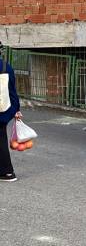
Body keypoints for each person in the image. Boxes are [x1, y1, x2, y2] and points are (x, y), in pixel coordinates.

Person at [1, 43, 22, 182]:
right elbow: (12, 91)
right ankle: (7, 172)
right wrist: (16, 109)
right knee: (1, 137)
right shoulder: (6, 67)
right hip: (3, 109)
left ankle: (7, 171)